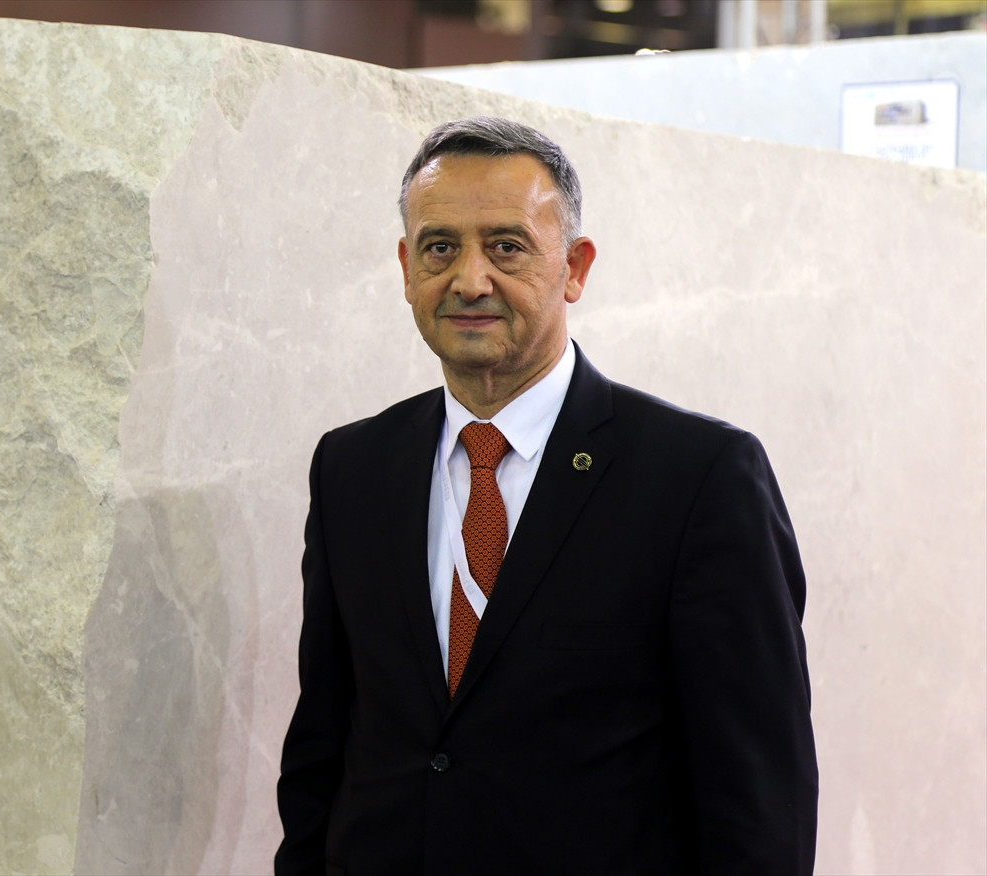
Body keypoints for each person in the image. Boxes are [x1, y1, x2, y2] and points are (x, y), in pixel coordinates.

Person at [275, 117, 818, 875]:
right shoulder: (352, 468)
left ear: (574, 268)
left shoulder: (700, 478)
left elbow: (759, 796)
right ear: (405, 267)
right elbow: (321, 749)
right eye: (440, 247)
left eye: (506, 246)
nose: (470, 280)